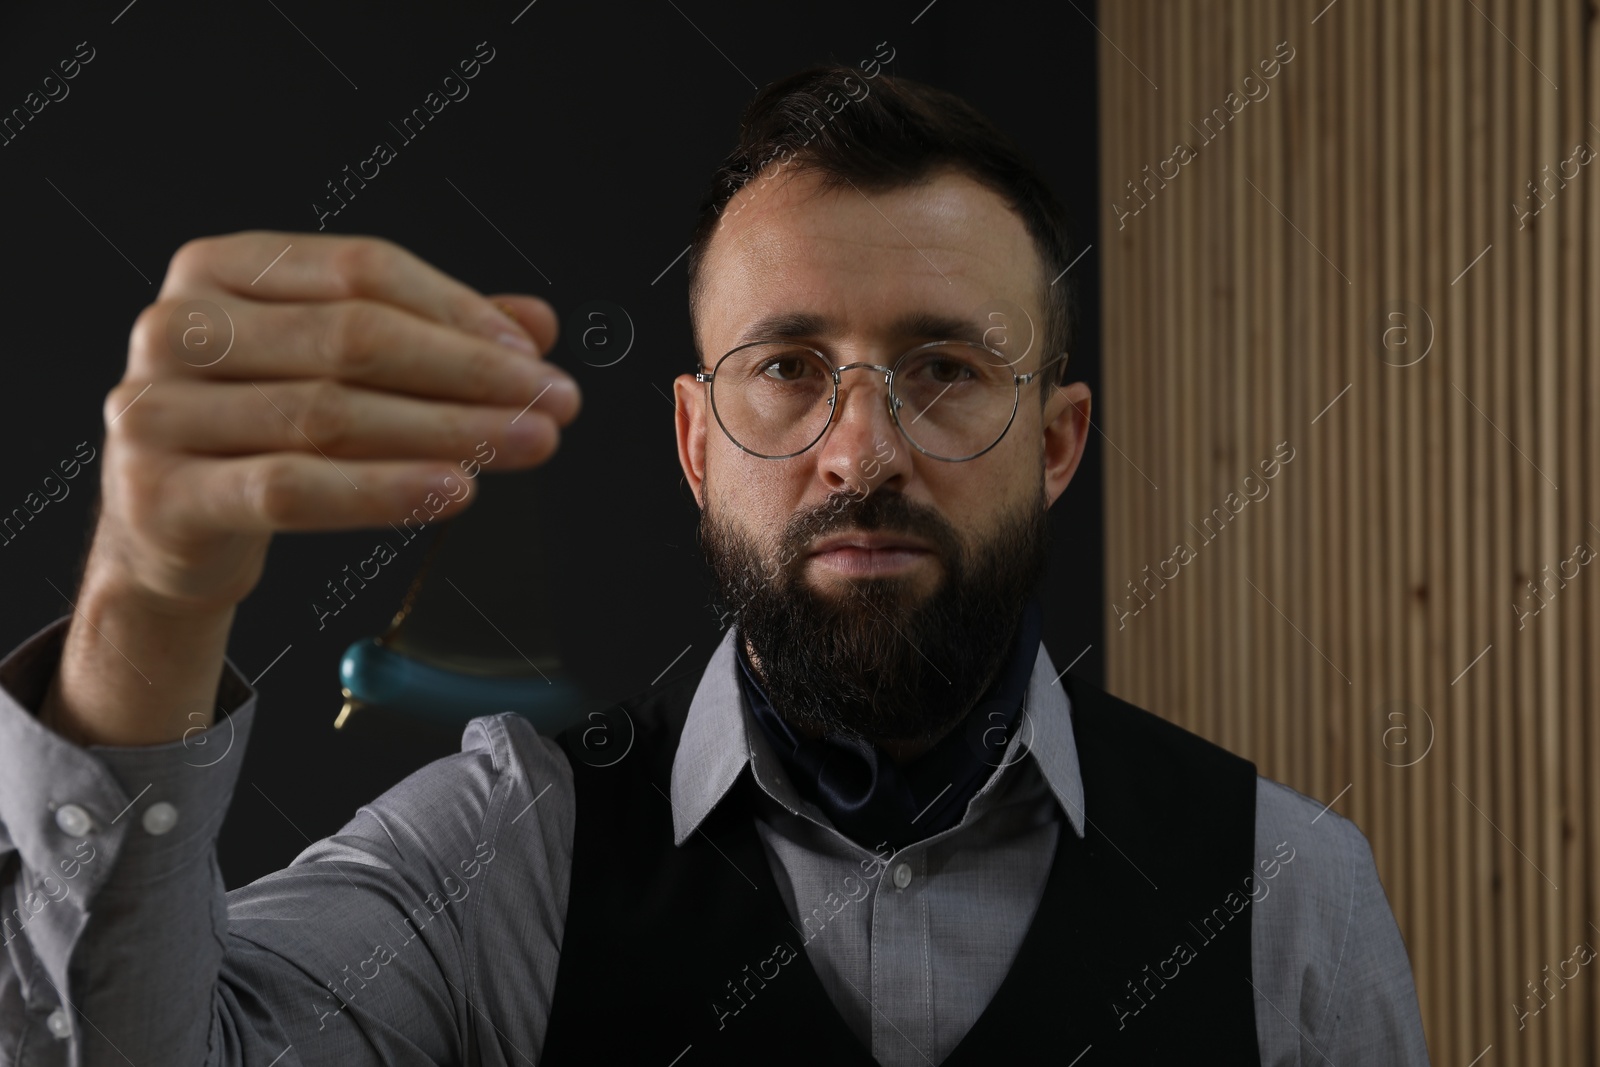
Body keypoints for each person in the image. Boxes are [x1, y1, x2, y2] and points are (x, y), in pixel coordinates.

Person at [0, 65, 1430, 1065]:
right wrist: (146, 604)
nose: (860, 452)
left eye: (942, 368)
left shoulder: (1288, 891)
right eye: (790, 368)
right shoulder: (510, 856)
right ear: (694, 442)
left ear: (1057, 443)